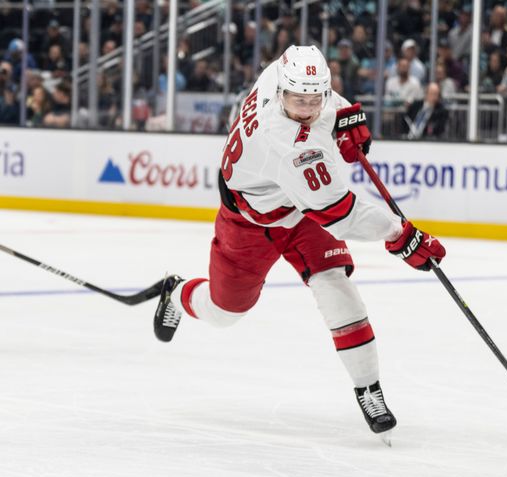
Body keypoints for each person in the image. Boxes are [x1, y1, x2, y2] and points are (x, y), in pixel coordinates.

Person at [152, 45, 446, 444]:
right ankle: (177, 293)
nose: (307, 107)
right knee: (224, 313)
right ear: (281, 93)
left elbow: (325, 100)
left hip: (298, 211)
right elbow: (344, 215)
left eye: (314, 99)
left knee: (337, 289)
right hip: (250, 222)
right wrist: (401, 235)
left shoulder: (281, 71)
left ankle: (368, 386)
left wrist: (343, 114)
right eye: (298, 100)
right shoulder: (293, 148)